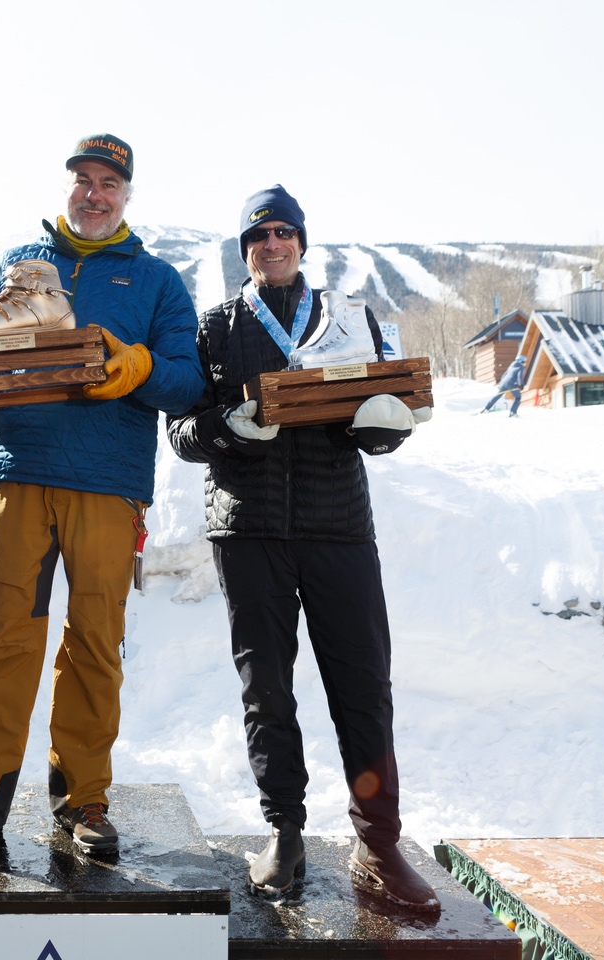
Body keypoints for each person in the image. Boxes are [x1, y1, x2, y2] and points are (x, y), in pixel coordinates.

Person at [0, 133, 205, 863]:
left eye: (108, 183)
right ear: (67, 188)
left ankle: (84, 798)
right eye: (82, 179)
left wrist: (138, 363)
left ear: (127, 196)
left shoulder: (158, 282)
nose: (93, 192)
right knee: (0, 640)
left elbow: (187, 382)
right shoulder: (15, 268)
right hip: (18, 469)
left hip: (109, 487)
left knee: (94, 645)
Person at [166, 185, 440, 912]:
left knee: (363, 687)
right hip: (247, 529)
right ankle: (284, 832)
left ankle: (378, 844)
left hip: (338, 527)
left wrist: (386, 427)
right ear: (245, 251)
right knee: (268, 689)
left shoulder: (350, 319)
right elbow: (182, 432)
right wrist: (230, 427)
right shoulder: (217, 326)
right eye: (258, 236)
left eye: (284, 231)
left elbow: (380, 418)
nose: (272, 244)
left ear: (302, 243)